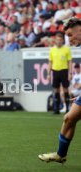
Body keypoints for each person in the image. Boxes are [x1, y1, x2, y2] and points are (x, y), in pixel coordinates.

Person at [38, 17, 81, 163]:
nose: (68, 39)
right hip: (57, 73)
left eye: (70, 35)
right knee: (69, 118)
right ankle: (60, 154)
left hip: (63, 72)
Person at [47, 32, 72, 114]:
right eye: (57, 40)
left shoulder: (67, 49)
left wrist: (70, 73)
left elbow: (70, 62)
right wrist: (48, 74)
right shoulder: (52, 50)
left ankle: (68, 108)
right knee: (56, 90)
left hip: (64, 70)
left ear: (62, 40)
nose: (59, 41)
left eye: (60, 40)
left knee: (65, 89)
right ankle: (56, 108)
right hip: (55, 71)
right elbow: (50, 62)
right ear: (55, 40)